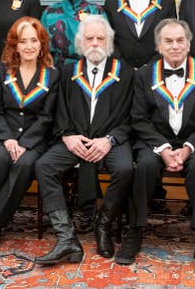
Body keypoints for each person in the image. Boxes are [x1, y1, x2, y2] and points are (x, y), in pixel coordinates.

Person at [114, 19, 195, 274]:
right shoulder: (143, 74)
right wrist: (163, 149)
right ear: (159, 46)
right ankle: (136, 231)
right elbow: (138, 118)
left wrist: (188, 148)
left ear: (188, 43)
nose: (175, 46)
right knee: (144, 167)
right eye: (168, 41)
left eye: (180, 40)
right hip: (154, 141)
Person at [34, 15, 134, 264]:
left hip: (110, 141)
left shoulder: (126, 72)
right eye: (89, 38)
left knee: (124, 168)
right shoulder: (68, 71)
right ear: (80, 43)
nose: (95, 43)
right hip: (75, 139)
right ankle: (66, 236)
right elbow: (58, 110)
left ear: (109, 42)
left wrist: (110, 139)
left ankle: (103, 225)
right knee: (44, 165)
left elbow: (134, 116)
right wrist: (67, 136)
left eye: (101, 38)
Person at [0, 17, 60, 253]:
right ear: (15, 45)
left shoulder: (52, 75)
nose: (29, 46)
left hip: (34, 140)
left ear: (41, 44)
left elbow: (47, 117)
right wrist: (8, 138)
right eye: (23, 41)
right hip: (1, 135)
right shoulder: (0, 70)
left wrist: (25, 143)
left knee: (23, 164)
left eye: (34, 40)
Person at [41, 0, 106, 67]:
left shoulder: (96, 11)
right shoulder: (49, 12)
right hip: (57, 72)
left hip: (89, 70)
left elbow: (105, 46)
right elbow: (41, 48)